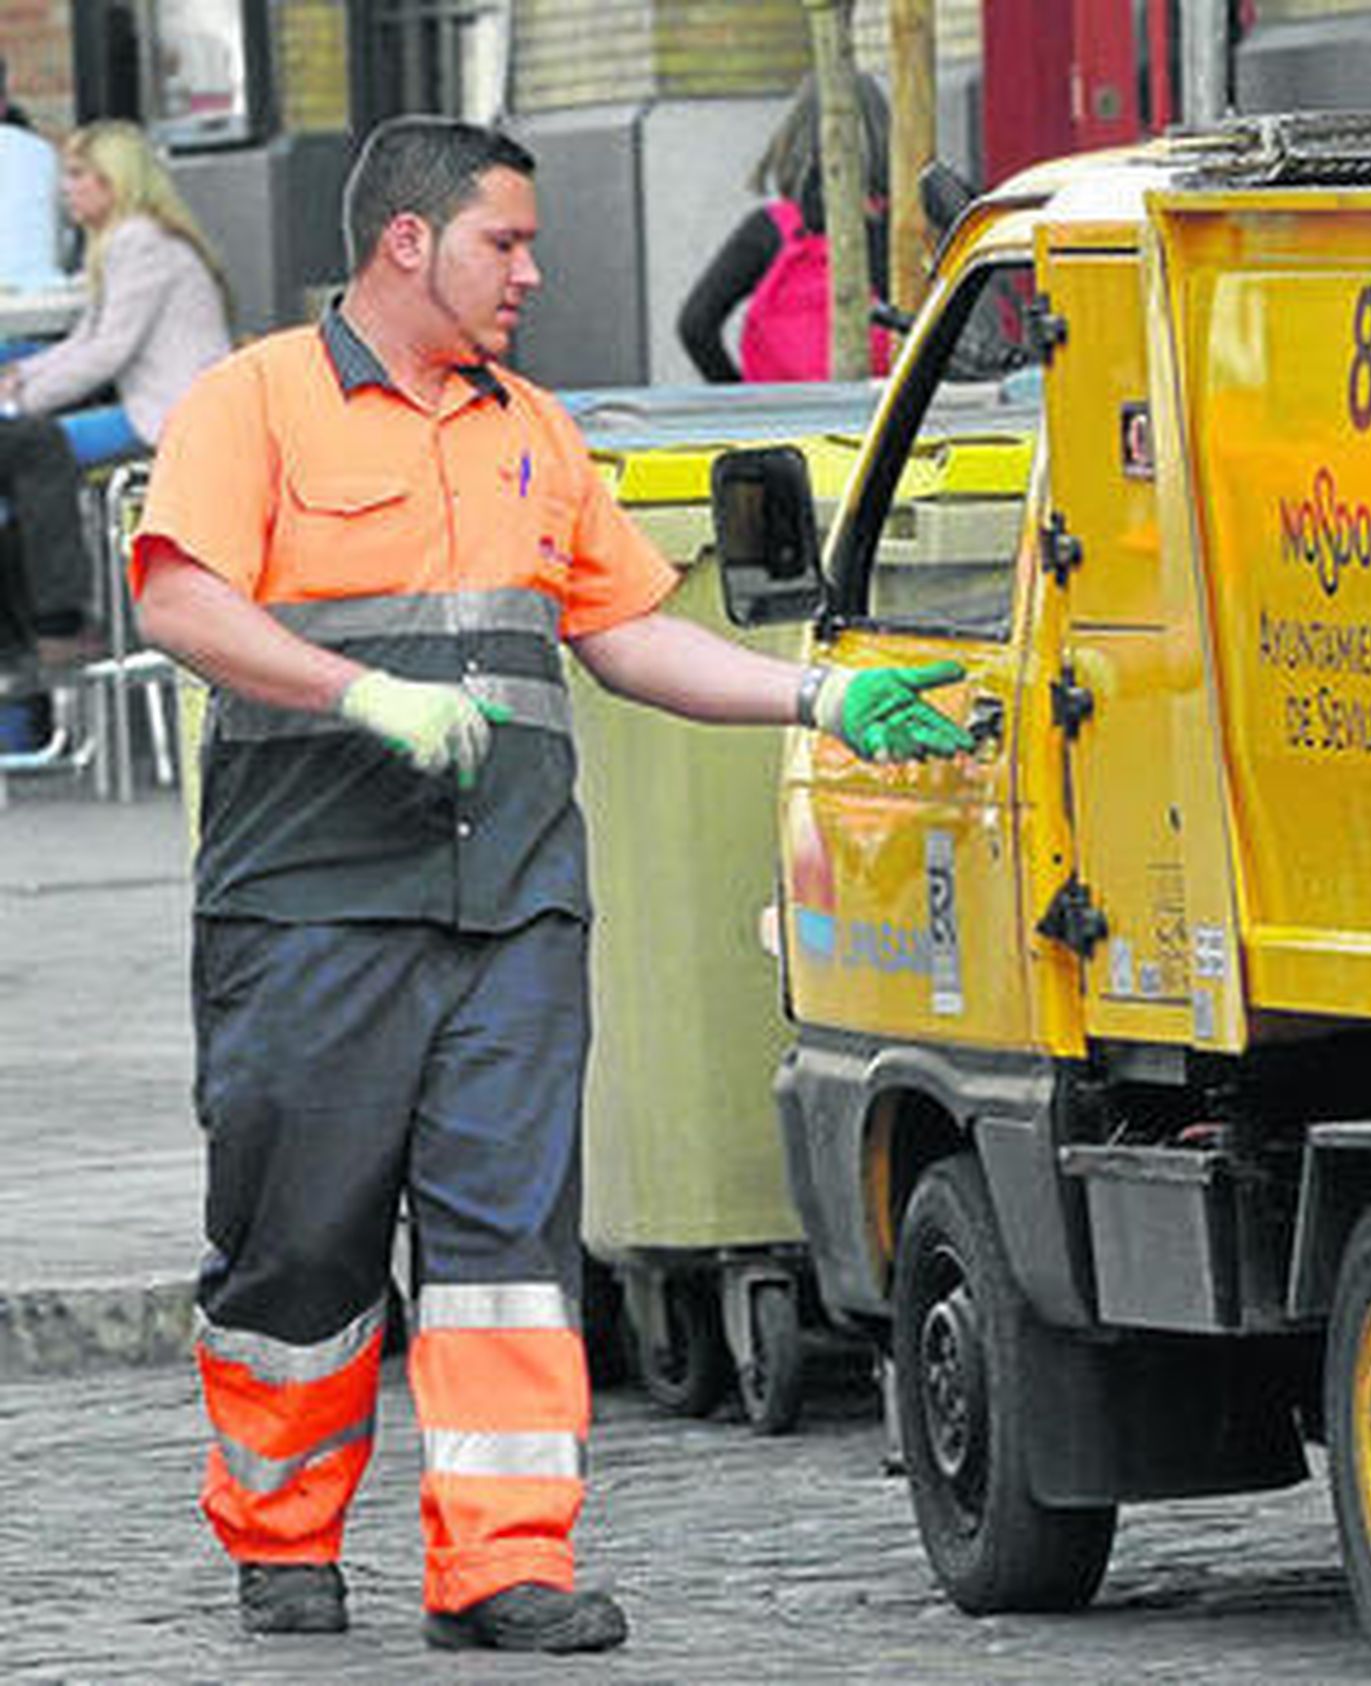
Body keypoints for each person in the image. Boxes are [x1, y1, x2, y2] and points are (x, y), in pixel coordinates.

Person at [130, 115, 969, 1655]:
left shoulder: (534, 431)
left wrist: (820, 696)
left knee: (507, 1253)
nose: (529, 271)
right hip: (308, 905)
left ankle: (501, 1558)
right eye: (503, 242)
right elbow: (180, 595)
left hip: (510, 904)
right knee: (298, 1240)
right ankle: (282, 1534)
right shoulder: (252, 403)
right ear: (408, 241)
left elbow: (628, 632)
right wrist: (356, 692)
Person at [0, 119, 230, 676]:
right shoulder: (124, 241)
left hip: (174, 417)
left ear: (115, 180)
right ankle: (41, 623)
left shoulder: (140, 244)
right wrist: (18, 377)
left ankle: (51, 622)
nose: (65, 189)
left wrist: (18, 404)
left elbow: (107, 352)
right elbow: (85, 340)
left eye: (79, 175)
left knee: (36, 447)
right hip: (153, 407)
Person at [677, 72, 892, 383]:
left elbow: (695, 325)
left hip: (785, 410)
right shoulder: (901, 228)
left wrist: (742, 397)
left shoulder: (769, 229)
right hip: (884, 407)